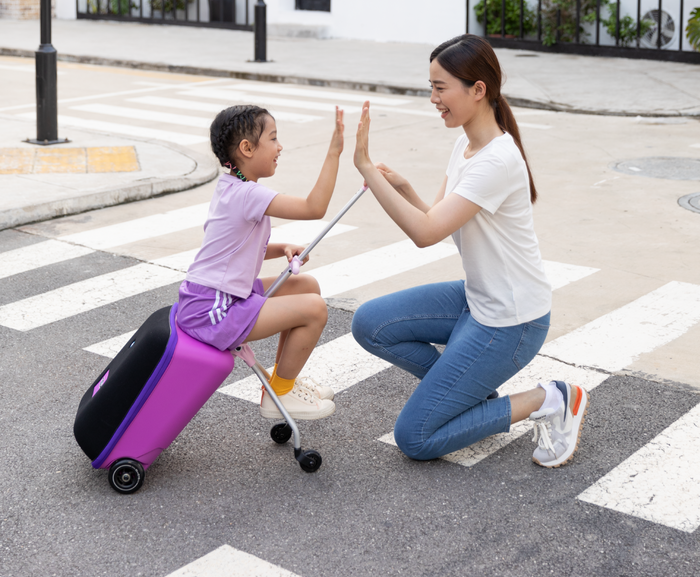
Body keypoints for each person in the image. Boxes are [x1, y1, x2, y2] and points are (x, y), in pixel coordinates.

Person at [351, 34, 588, 468]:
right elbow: (438, 221)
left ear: (477, 89)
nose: (432, 98)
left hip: (511, 320)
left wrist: (367, 168)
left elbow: (424, 234)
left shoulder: (497, 161)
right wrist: (404, 188)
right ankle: (469, 392)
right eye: (431, 87)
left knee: (415, 437)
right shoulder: (465, 143)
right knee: (370, 323)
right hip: (477, 298)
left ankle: (551, 399)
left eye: (440, 88)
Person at [178, 104, 345, 421]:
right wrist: (334, 153)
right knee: (314, 308)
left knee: (304, 285)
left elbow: (235, 244)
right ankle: (278, 393)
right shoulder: (248, 195)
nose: (280, 147)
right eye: (273, 138)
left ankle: (284, 383)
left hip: (214, 297)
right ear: (247, 148)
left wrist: (282, 247)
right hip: (212, 310)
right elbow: (314, 207)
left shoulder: (233, 186)